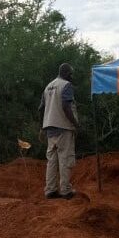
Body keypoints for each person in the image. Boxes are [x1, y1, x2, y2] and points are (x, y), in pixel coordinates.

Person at [39, 63, 79, 199]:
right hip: (63, 127)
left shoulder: (48, 87)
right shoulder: (66, 85)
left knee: (52, 160)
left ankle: (50, 190)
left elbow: (41, 108)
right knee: (65, 158)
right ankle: (66, 190)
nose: (71, 76)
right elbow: (66, 106)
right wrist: (75, 124)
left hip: (49, 128)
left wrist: (43, 125)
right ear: (67, 73)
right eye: (71, 74)